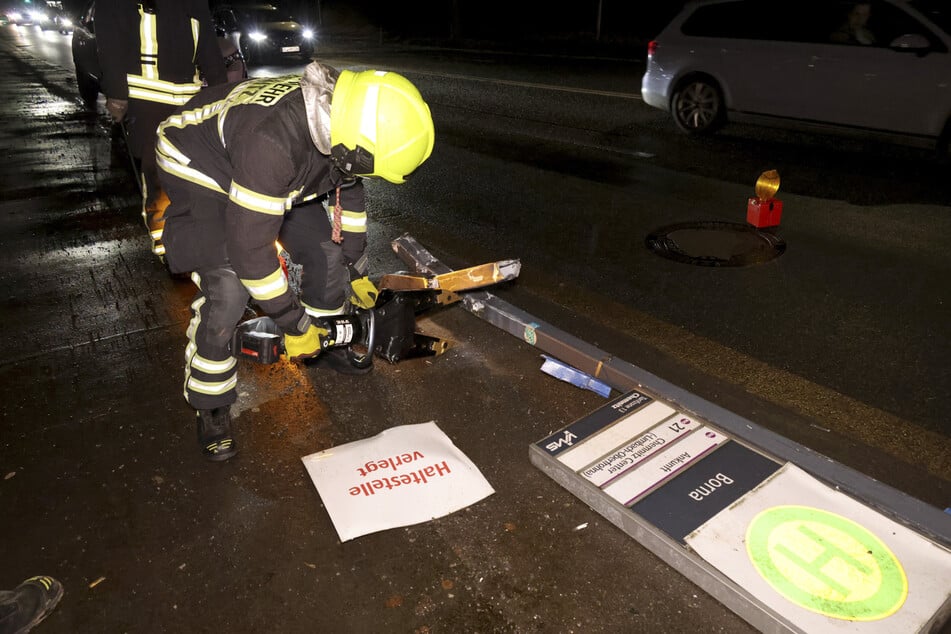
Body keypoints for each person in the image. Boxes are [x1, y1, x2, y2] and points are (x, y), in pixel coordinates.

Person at [155, 62, 435, 461]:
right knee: (230, 290)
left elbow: (350, 199)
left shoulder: (343, 118)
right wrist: (291, 321)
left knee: (326, 253)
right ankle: (210, 401)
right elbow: (251, 253)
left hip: (261, 160)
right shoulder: (273, 146)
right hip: (199, 164)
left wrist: (356, 268)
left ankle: (324, 341)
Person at [95, 0, 229, 259]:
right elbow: (109, 43)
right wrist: (117, 94)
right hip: (148, 101)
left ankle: (191, 240)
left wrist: (221, 94)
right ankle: (168, 248)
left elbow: (208, 46)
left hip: (187, 105)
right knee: (158, 177)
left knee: (192, 176)